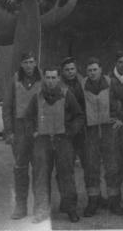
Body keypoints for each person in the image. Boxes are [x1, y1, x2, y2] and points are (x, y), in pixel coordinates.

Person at [27, 66, 85, 223]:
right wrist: (33, 132)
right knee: (41, 176)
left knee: (66, 175)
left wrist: (70, 132)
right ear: (44, 79)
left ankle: (70, 208)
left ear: (58, 78)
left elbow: (79, 116)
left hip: (63, 140)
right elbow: (28, 118)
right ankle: (41, 210)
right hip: (43, 142)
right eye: (48, 78)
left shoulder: (67, 95)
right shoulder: (37, 97)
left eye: (54, 78)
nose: (51, 81)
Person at [81, 57, 123, 216]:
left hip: (109, 129)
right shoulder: (82, 85)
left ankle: (115, 201)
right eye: (89, 70)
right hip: (91, 131)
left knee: (112, 165)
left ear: (101, 69)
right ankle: (93, 201)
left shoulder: (111, 82)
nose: (92, 73)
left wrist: (121, 119)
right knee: (91, 166)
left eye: (95, 69)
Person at [2, 51, 42, 220]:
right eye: (26, 62)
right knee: (20, 169)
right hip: (19, 131)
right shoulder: (15, 80)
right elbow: (7, 108)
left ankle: (40, 207)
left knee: (40, 170)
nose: (29, 65)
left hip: (37, 130)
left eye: (32, 62)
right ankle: (21, 206)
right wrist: (9, 131)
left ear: (35, 63)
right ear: (21, 64)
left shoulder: (43, 80)